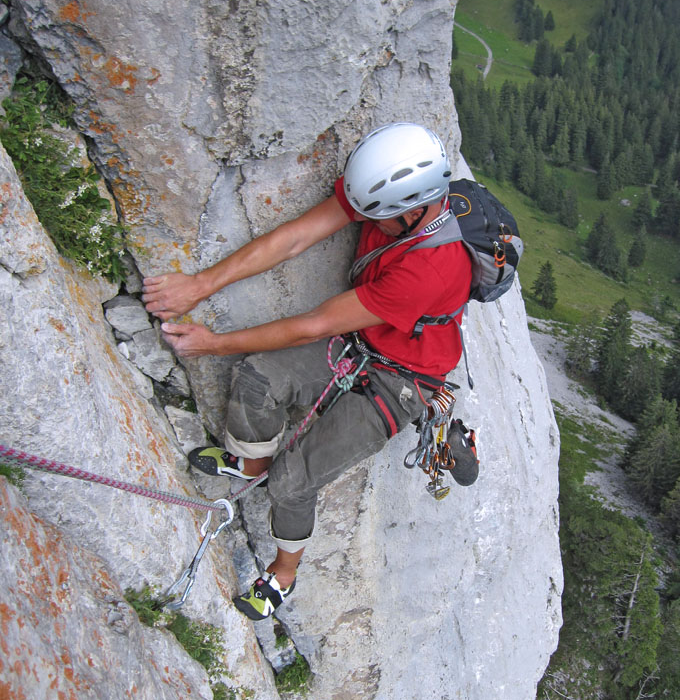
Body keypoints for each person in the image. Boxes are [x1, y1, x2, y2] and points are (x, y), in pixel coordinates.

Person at [143, 122, 472, 620]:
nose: (364, 221)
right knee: (258, 380)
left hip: (404, 382)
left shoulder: (431, 269)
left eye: (376, 219)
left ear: (415, 212)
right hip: (365, 341)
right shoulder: (382, 192)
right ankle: (248, 467)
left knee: (293, 482)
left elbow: (313, 325)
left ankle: (284, 574)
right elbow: (294, 239)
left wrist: (214, 345)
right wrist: (200, 285)